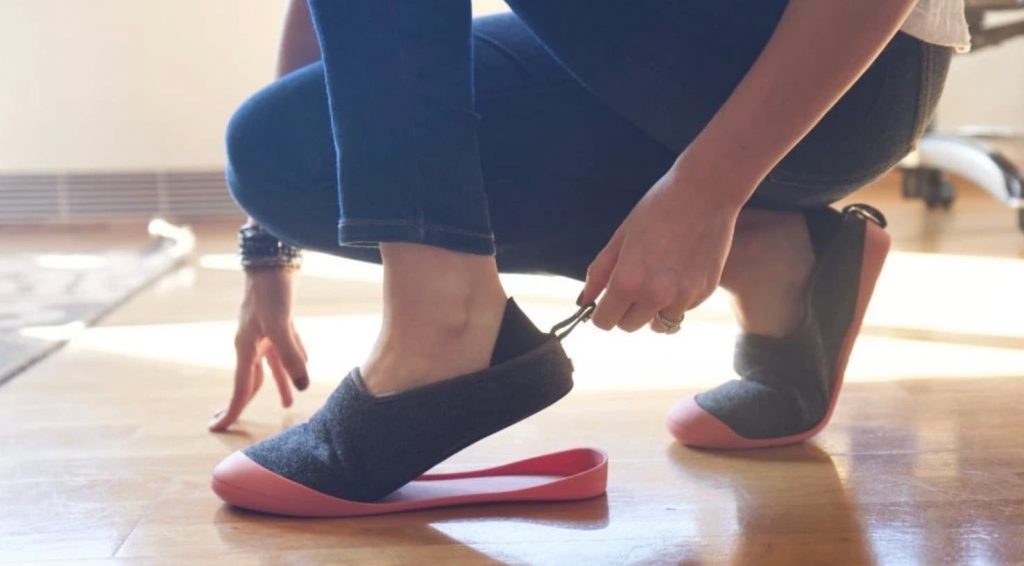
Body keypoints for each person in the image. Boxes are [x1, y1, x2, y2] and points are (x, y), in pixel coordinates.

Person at [210, 0, 968, 487]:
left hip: (850, 66)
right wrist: (266, 251)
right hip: (662, 65)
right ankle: (778, 264)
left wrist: (709, 190)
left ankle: (441, 328)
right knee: (282, 151)